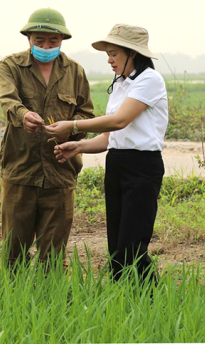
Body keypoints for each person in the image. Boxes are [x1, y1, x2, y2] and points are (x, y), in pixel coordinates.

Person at [44, 23, 168, 283]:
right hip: (118, 163)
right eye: (108, 54)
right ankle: (123, 300)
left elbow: (118, 121)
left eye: (114, 53)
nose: (110, 60)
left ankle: (149, 301)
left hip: (142, 166)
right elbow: (109, 138)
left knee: (132, 245)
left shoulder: (149, 80)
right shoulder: (122, 83)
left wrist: (74, 125)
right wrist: (77, 146)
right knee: (116, 245)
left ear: (132, 53)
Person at [0, 7, 94, 268]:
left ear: (62, 40)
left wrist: (71, 128)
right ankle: (11, 300)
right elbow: (8, 100)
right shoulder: (11, 66)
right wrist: (23, 115)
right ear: (28, 38)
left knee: (53, 253)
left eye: (53, 41)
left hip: (60, 170)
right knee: (13, 251)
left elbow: (86, 113)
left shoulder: (75, 71)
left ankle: (50, 300)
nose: (46, 46)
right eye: (39, 40)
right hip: (20, 169)